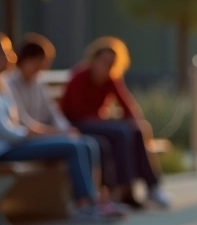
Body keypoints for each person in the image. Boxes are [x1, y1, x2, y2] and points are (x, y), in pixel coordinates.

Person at [0, 34, 123, 223]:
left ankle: (95, 200)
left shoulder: (0, 86)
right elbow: (7, 132)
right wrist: (38, 134)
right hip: (0, 151)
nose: (12, 57)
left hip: (15, 145)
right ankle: (84, 204)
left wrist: (53, 132)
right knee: (73, 147)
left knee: (86, 143)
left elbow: (30, 120)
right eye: (5, 53)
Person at [8, 33, 121, 204]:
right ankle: (84, 202)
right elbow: (24, 123)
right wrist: (57, 132)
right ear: (30, 60)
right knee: (75, 147)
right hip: (27, 139)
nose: (44, 68)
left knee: (90, 144)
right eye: (42, 62)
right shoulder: (10, 84)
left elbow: (52, 112)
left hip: (43, 135)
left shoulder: (38, 83)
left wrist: (66, 129)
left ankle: (98, 198)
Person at [60, 37, 172, 210]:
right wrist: (109, 120)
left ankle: (152, 187)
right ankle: (123, 189)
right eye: (104, 61)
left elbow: (128, 106)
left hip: (99, 124)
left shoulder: (111, 79)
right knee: (120, 132)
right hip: (77, 124)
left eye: (112, 63)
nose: (107, 67)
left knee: (135, 131)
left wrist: (136, 122)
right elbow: (76, 112)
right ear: (94, 59)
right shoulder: (80, 77)